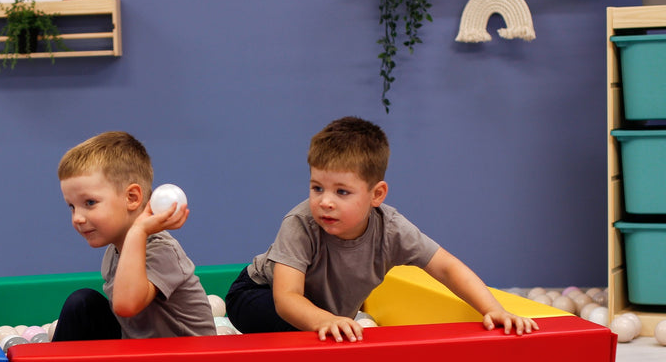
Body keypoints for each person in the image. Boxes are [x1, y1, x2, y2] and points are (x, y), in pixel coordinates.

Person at [225, 116, 539, 343]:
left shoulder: (391, 229)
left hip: (322, 310)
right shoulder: (301, 223)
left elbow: (447, 267)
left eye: (342, 192)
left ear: (376, 195)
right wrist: (327, 320)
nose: (325, 202)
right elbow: (287, 298)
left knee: (331, 332)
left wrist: (494, 310)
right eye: (317, 187)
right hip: (256, 295)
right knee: (313, 332)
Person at [52, 131, 216, 341]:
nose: (78, 218)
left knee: (82, 302)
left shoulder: (162, 250)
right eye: (72, 207)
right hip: (141, 357)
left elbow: (126, 305)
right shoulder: (115, 252)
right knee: (82, 304)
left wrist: (138, 231)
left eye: (90, 203)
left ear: (132, 198)